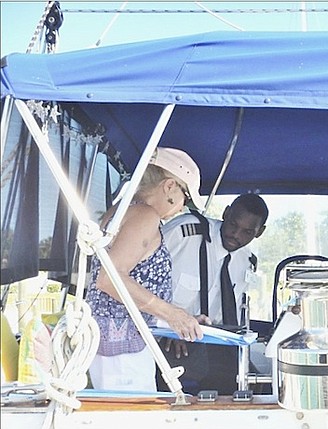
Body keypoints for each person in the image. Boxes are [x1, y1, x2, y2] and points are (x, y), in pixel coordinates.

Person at [86, 147, 205, 392]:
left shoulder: (121, 210)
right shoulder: (145, 215)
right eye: (186, 197)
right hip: (123, 353)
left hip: (112, 347)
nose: (183, 207)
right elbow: (109, 279)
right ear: (169, 186)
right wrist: (170, 313)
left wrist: (180, 318)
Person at [157, 193, 269, 395]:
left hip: (216, 347)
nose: (235, 235)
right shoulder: (185, 232)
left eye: (247, 232)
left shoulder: (247, 261)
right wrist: (170, 322)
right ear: (226, 213)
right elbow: (139, 274)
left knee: (257, 389)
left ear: (259, 233)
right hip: (167, 340)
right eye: (233, 224)